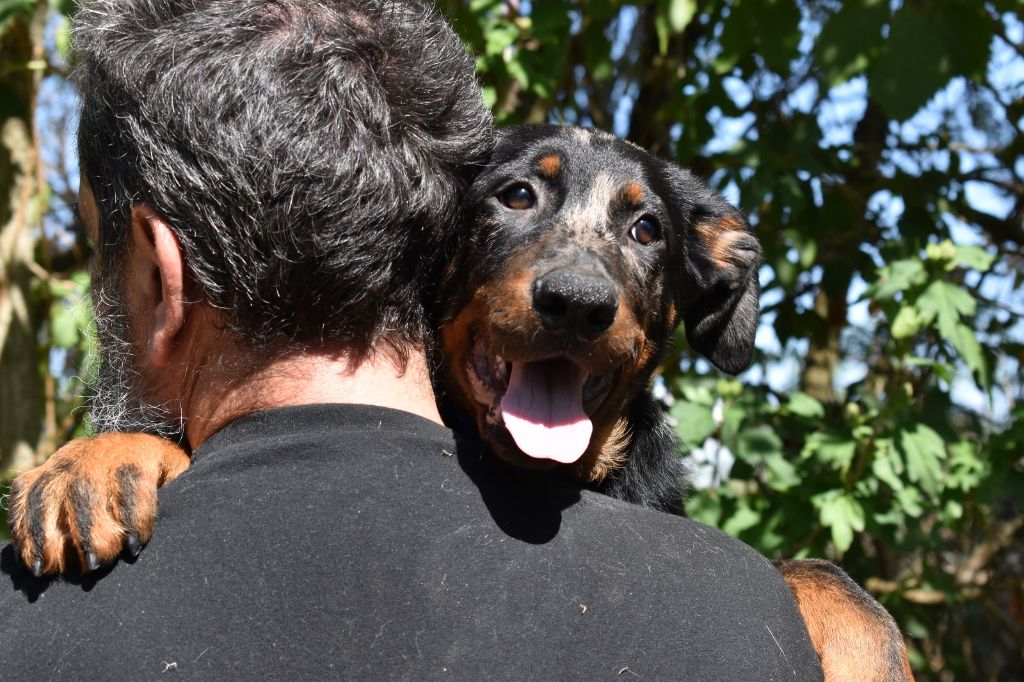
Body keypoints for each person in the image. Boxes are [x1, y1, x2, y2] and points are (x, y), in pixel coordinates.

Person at [0, 1, 824, 678]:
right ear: (431, 242)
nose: (580, 287)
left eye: (644, 232)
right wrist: (142, 444)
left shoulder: (727, 592)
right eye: (516, 197)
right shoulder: (730, 612)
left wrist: (818, 598)